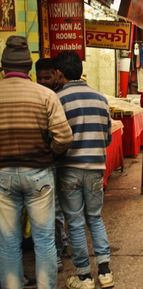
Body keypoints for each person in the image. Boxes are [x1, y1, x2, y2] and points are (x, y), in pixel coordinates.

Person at [0, 35, 73, 289]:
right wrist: (49, 153)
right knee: (44, 240)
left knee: (8, 241)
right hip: (39, 173)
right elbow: (64, 136)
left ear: (3, 67)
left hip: (2, 176)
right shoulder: (45, 95)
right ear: (28, 67)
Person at [54, 51, 114, 289]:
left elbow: (56, 136)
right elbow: (107, 138)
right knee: (95, 218)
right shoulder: (100, 99)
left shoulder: (58, 98)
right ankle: (105, 271)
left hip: (69, 168)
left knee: (76, 223)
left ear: (59, 73)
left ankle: (84, 277)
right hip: (95, 168)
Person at [35, 57, 69, 272]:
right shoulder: (40, 95)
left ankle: (59, 248)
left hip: (53, 161)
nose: (44, 81)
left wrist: (52, 153)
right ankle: (59, 247)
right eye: (40, 78)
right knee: (54, 208)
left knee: (56, 208)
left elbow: (62, 136)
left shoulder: (56, 97)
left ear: (57, 73)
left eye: (47, 77)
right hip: (46, 162)